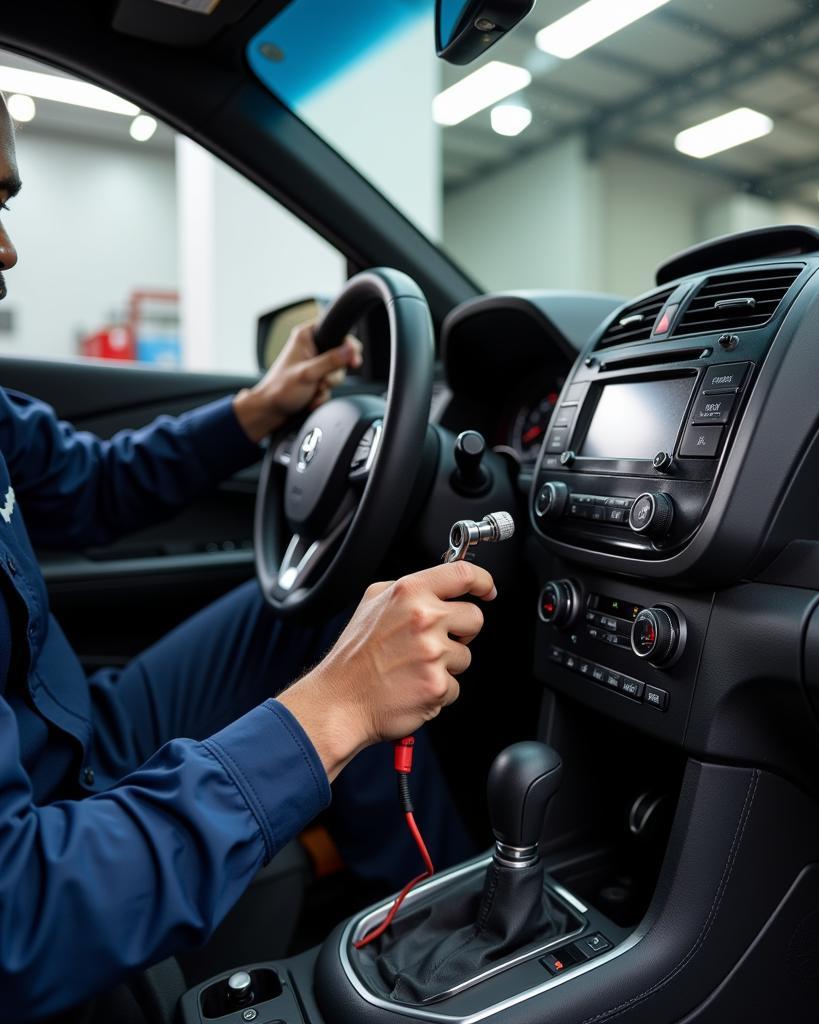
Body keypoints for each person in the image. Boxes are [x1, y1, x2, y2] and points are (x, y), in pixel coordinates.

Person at [0, 94, 491, 1019]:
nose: (8, 251)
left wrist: (258, 410)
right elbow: (19, 911)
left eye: (7, 207)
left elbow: (90, 484)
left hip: (69, 735)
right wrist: (334, 709)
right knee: (339, 661)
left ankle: (441, 920)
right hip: (41, 822)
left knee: (309, 616)